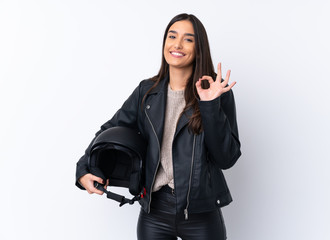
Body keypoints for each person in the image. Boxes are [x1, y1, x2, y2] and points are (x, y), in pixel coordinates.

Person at [75, 13, 241, 240]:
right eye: (172, 36)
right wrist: (84, 168)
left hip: (200, 212)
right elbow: (109, 129)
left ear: (199, 48)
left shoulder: (216, 92)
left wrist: (209, 105)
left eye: (188, 39)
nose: (178, 44)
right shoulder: (147, 91)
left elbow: (227, 158)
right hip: (154, 210)